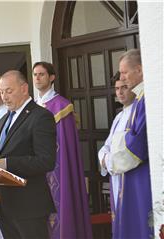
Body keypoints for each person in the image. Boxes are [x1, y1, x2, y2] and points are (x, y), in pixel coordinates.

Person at [0, 70, 56, 238]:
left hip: (29, 207)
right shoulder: (2, 120)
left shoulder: (40, 117)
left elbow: (46, 161)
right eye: (1, 92)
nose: (4, 97)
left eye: (9, 91)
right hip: (4, 205)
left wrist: (8, 163)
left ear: (24, 88)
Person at [32, 62, 92, 239]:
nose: (37, 78)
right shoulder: (33, 107)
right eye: (35, 74)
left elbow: (65, 144)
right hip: (37, 168)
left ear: (52, 77)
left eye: (41, 74)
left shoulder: (62, 106)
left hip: (57, 168)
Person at [109, 49, 153, 238]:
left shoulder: (146, 99)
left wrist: (111, 158)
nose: (122, 77)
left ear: (140, 70)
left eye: (125, 72)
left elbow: (136, 142)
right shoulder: (140, 99)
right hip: (134, 172)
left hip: (143, 173)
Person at [98, 74, 135, 234]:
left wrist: (108, 161)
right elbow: (106, 146)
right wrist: (105, 159)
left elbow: (133, 150)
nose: (120, 92)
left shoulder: (138, 112)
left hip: (131, 179)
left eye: (124, 87)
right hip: (116, 179)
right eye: (117, 89)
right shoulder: (119, 117)